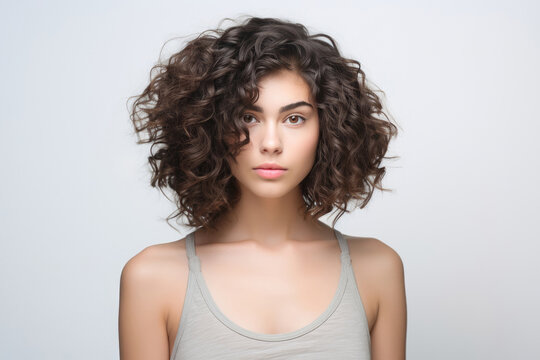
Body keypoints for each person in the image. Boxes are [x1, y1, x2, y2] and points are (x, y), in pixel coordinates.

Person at [118, 16, 406, 360]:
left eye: (294, 118)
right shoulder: (152, 278)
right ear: (210, 126)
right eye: (248, 117)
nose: (271, 143)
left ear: (328, 129)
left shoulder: (377, 269)